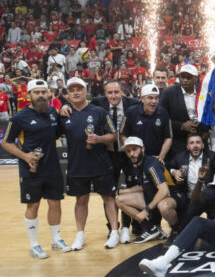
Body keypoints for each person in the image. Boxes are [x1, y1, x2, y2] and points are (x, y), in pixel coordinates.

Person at [1, 80, 68, 258]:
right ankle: (34, 244)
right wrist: (25, 156)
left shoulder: (53, 113)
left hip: (52, 167)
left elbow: (60, 132)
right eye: (36, 92)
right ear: (29, 95)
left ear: (48, 94)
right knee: (34, 205)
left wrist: (63, 112)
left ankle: (56, 239)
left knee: (55, 203)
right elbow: (6, 143)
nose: (40, 95)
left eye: (43, 92)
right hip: (31, 169)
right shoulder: (19, 117)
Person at [60, 77, 120, 250]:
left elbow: (113, 135)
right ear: (68, 95)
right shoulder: (64, 115)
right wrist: (59, 109)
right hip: (77, 165)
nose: (76, 92)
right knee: (81, 200)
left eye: (79, 89)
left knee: (109, 198)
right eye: (72, 90)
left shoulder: (99, 111)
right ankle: (80, 235)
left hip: (101, 163)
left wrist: (99, 138)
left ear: (86, 91)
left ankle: (114, 232)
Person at [166, 133, 215, 244]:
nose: (195, 145)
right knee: (184, 228)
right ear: (187, 146)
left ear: (202, 145)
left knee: (210, 195)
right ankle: (176, 231)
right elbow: (167, 166)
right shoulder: (180, 157)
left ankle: (212, 217)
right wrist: (174, 171)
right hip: (191, 199)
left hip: (209, 197)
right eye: (192, 143)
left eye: (198, 142)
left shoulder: (211, 156)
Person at [114, 137, 179, 243]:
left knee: (163, 206)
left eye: (135, 149)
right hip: (153, 199)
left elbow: (164, 191)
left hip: (171, 198)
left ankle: (177, 230)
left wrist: (146, 210)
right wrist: (119, 192)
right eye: (128, 151)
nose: (131, 154)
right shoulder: (133, 166)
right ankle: (151, 228)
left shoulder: (151, 164)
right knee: (119, 200)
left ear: (142, 149)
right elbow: (141, 187)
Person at [160, 64, 206, 159]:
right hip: (178, 141)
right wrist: (181, 126)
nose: (185, 80)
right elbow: (161, 118)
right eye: (182, 77)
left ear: (196, 78)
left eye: (188, 77)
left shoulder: (202, 91)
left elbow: (208, 112)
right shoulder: (168, 93)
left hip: (200, 137)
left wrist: (205, 128)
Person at [121, 84, 172, 162]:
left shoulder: (164, 113)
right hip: (135, 160)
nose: (154, 101)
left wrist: (161, 157)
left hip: (156, 159)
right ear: (142, 99)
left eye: (156, 98)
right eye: (150, 98)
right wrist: (132, 154)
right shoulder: (131, 112)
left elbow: (168, 137)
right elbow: (123, 135)